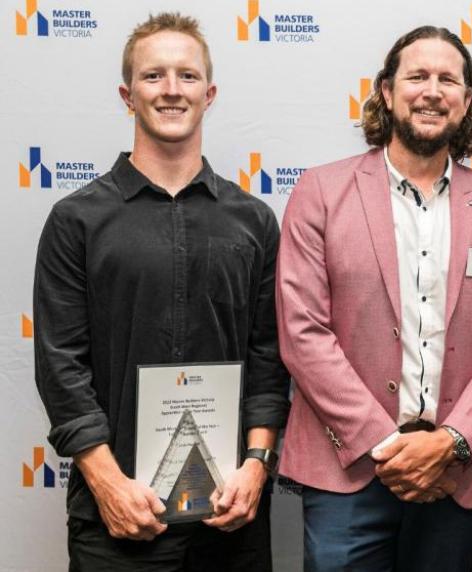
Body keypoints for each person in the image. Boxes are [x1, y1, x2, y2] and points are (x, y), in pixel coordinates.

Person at [32, 12, 290, 571]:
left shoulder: (254, 221)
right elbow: (61, 366)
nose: (171, 89)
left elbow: (269, 358)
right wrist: (106, 484)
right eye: (154, 76)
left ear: (209, 93)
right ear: (127, 95)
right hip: (118, 515)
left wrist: (256, 466)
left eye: (187, 76)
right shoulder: (76, 220)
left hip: (230, 515)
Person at [275, 25, 472, 571]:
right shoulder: (320, 192)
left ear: (466, 103)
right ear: (386, 92)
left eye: (449, 79)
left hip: (452, 474)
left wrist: (451, 442)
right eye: (417, 76)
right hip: (346, 472)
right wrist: (387, 445)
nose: (432, 90)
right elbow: (303, 335)